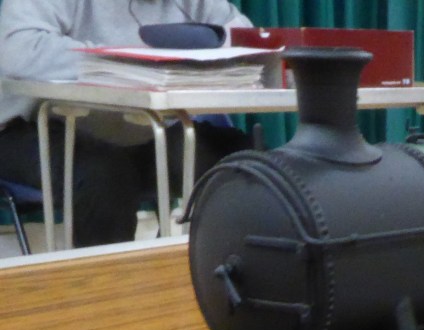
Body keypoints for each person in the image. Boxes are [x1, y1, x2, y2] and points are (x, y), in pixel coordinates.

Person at [0, 0, 253, 247]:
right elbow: (19, 49)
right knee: (105, 172)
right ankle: (105, 276)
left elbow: (246, 40)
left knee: (242, 162)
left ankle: (221, 267)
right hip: (30, 130)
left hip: (141, 133)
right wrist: (122, 65)